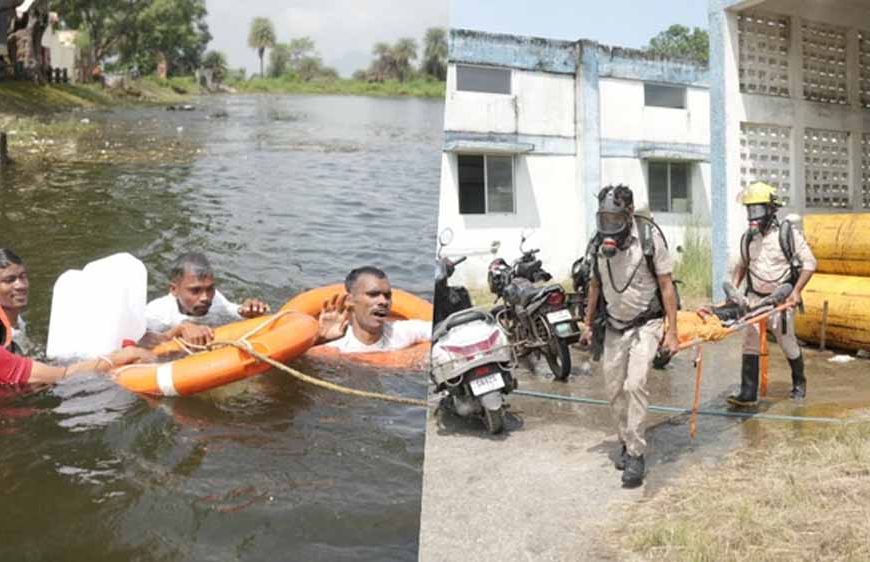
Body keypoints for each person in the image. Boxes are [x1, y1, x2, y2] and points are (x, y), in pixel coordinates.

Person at [579, 185, 679, 488]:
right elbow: (594, 286)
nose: (610, 227)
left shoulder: (649, 240)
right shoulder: (598, 244)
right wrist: (587, 324)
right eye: (605, 220)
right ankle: (625, 439)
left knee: (634, 384)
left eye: (616, 220)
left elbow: (666, 286)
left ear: (630, 213)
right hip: (614, 326)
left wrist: (671, 333)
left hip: (645, 325)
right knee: (613, 390)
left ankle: (636, 453)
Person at [726, 181, 816, 407]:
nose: (752, 216)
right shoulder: (748, 238)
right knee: (750, 343)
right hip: (754, 299)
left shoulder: (786, 235)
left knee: (787, 343)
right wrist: (734, 293)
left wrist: (795, 292)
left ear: (770, 210)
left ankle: (799, 382)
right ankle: (748, 393)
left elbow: (810, 263)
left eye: (757, 210)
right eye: (749, 210)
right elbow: (741, 266)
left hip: (780, 300)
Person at [145, 253, 270, 346]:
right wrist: (178, 330)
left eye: (210, 289)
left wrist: (248, 311)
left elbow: (234, 310)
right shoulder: (157, 313)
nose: (205, 297)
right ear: (174, 290)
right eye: (195, 290)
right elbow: (140, 340)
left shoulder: (216, 298)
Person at [317, 266, 430, 352]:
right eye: (373, 294)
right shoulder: (335, 344)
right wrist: (321, 340)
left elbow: (443, 330)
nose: (383, 302)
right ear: (350, 300)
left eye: (387, 296)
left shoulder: (404, 332)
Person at [0, 248, 29, 353]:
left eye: (23, 277)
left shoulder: (17, 319)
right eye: (9, 280)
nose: (21, 285)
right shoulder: (3, 338)